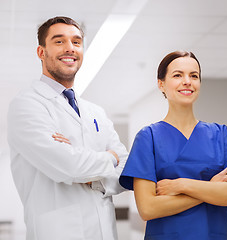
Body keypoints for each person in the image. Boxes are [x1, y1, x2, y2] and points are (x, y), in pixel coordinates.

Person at [7, 16, 128, 240]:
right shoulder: (26, 106)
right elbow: (69, 166)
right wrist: (109, 158)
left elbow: (127, 169)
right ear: (41, 52)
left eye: (76, 41)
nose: (70, 48)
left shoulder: (96, 112)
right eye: (59, 41)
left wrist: (95, 178)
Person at [119, 51, 227, 239]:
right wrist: (211, 188)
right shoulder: (148, 138)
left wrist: (182, 185)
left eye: (194, 76)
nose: (187, 81)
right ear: (161, 84)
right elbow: (147, 208)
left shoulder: (220, 134)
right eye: (178, 75)